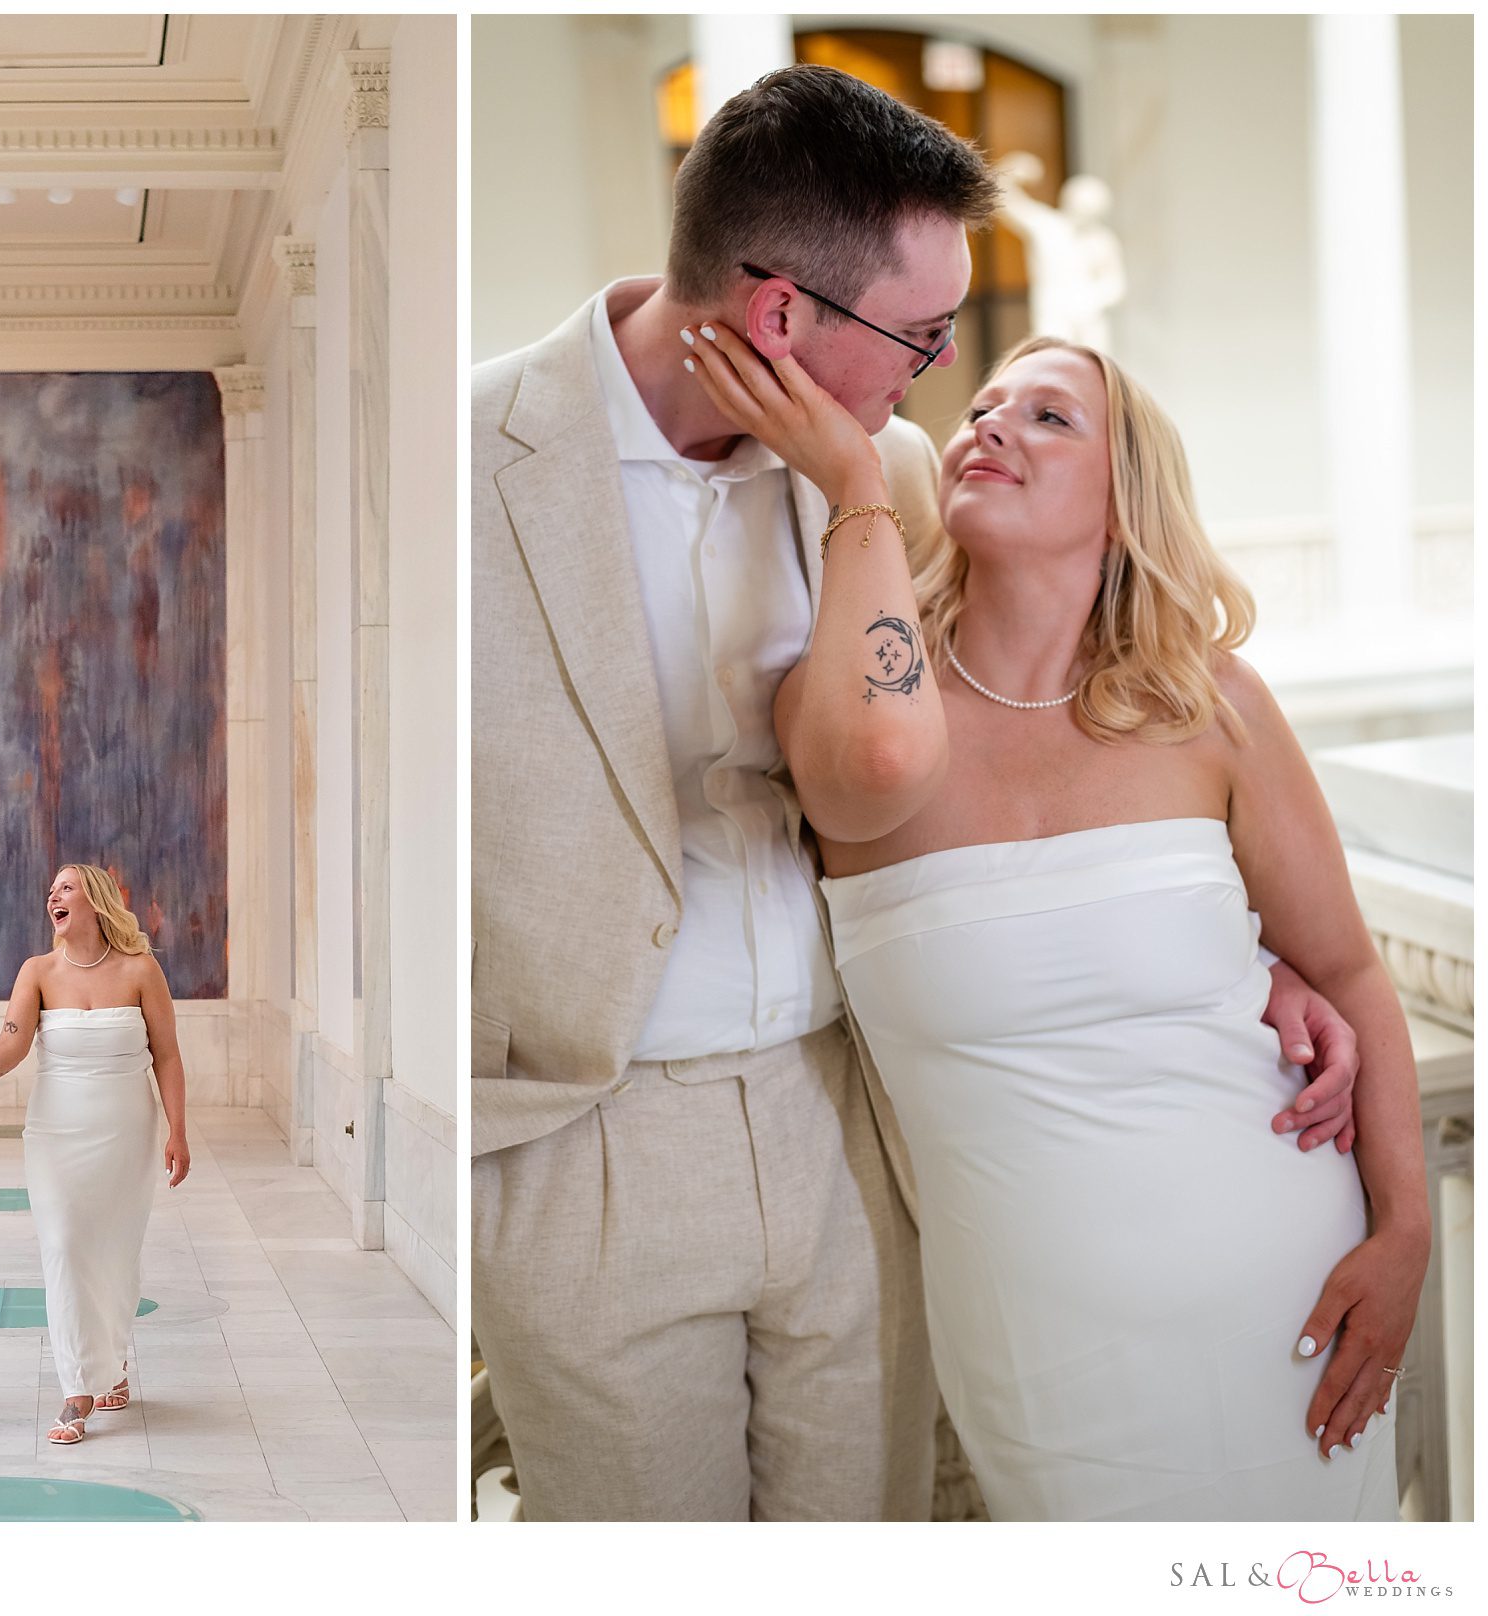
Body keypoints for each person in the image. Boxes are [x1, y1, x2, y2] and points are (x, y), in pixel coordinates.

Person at [471, 63, 1360, 1521]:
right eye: (924, 335)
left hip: (859, 1131)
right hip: (587, 1149)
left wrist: (1227, 955)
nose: (942, 381)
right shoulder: (467, 460)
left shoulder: (891, 470)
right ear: (776, 315)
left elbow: (1032, 733)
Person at [683, 324, 1427, 1519]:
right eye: (983, 407)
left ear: (1124, 503)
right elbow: (858, 771)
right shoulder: (864, 708)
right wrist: (857, 483)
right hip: (1038, 1346)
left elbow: (1348, 970)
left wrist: (1403, 1239)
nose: (990, 427)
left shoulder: (1209, 702)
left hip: (1292, 1298)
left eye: (1047, 417)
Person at [0, 863, 190, 1445]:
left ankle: (112, 1359)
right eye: (50, 889)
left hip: (125, 1132)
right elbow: (11, 1043)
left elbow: (168, 1056)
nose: (52, 896)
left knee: (114, 1254)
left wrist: (178, 1131)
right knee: (63, 1246)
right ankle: (77, 1388)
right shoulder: (37, 972)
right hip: (56, 1133)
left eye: (66, 887)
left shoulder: (141, 970)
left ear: (96, 899)